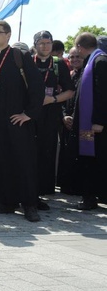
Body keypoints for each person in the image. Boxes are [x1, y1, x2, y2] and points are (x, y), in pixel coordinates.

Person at [0, 20, 44, 222]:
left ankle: (30, 205)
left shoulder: (19, 56)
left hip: (17, 122)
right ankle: (5, 201)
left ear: (8, 35)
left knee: (23, 163)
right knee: (0, 162)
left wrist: (29, 114)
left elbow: (37, 87)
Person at [32, 31, 75, 202]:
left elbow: (70, 91)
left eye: (48, 43)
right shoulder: (27, 62)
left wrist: (53, 99)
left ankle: (44, 190)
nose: (45, 46)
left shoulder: (58, 64)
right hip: (30, 115)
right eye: (41, 43)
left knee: (47, 152)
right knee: (28, 151)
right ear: (35, 44)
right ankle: (28, 187)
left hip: (50, 115)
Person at [67, 33, 107, 210]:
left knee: (95, 161)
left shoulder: (100, 62)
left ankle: (92, 197)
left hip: (95, 125)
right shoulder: (92, 61)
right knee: (88, 160)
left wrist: (99, 121)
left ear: (80, 47)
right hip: (88, 124)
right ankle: (90, 197)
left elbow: (103, 94)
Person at [57, 47, 83, 195]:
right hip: (68, 123)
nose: (74, 60)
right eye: (71, 57)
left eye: (78, 57)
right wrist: (64, 116)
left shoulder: (88, 75)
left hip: (83, 125)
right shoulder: (70, 75)